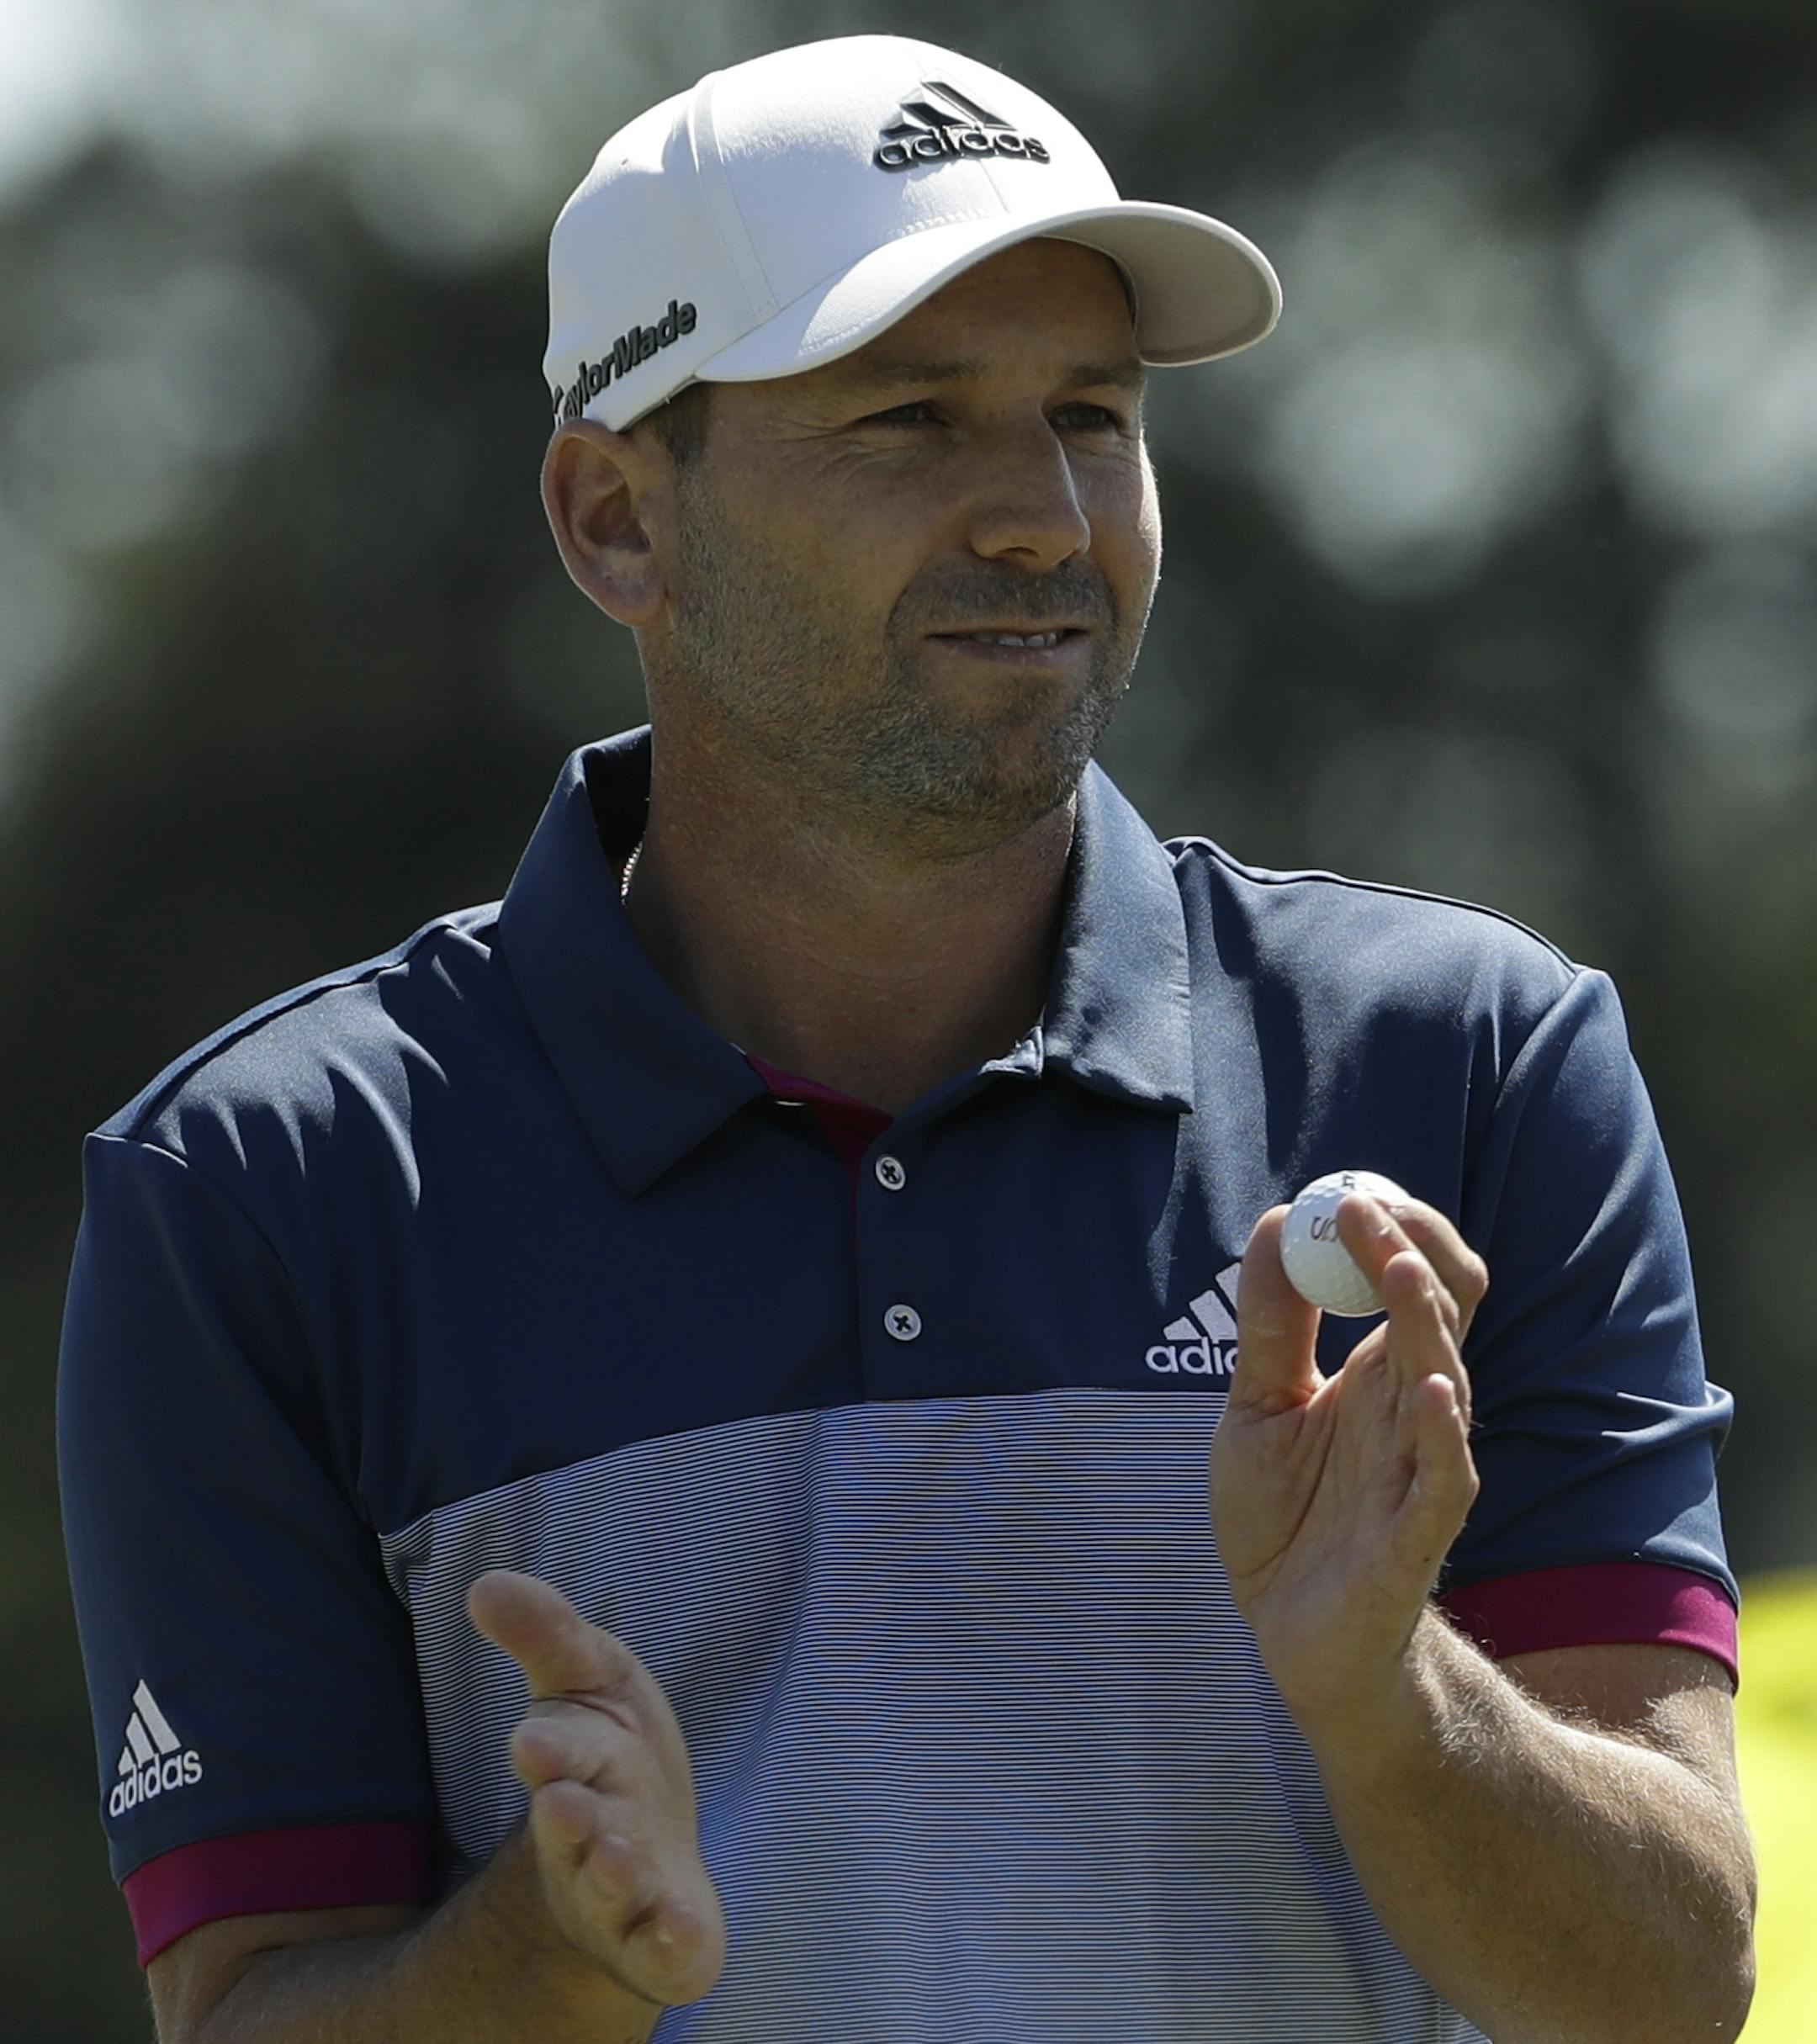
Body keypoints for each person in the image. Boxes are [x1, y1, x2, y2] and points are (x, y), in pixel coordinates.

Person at [58, 33, 1756, 2044]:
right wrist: (551, 1958)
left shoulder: (1473, 1062)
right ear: (616, 520)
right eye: (907, 419)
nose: (1043, 516)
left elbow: (1674, 1990)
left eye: (1091, 414)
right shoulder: (264, 1187)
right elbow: (245, 2004)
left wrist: (1391, 1699)